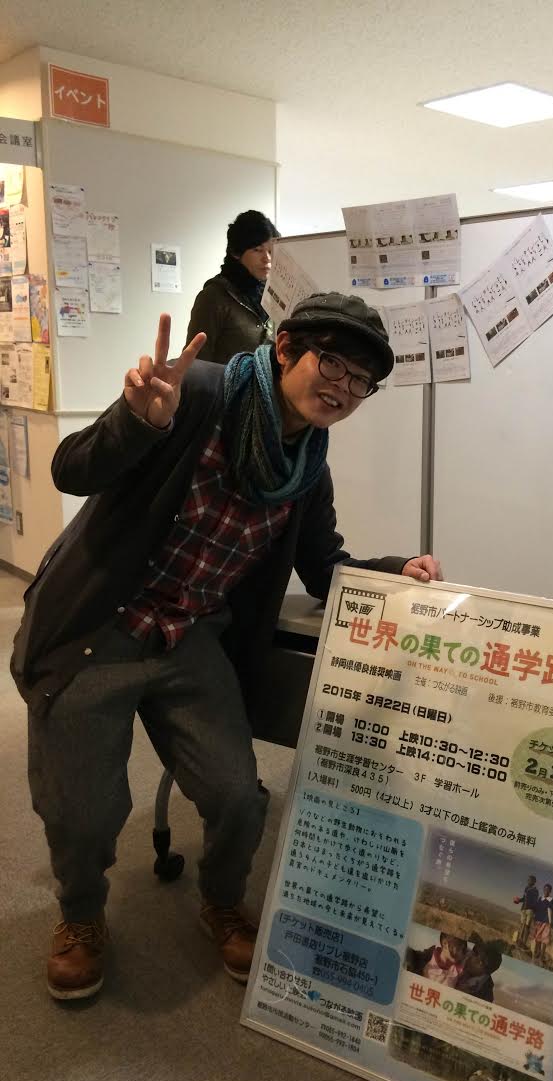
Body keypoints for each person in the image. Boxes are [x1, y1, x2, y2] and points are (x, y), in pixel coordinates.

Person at [11, 291, 442, 1001]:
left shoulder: (306, 468)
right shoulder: (198, 395)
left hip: (188, 635)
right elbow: (71, 470)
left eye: (362, 380)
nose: (343, 386)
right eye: (332, 362)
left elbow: (323, 565)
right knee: (82, 810)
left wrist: (395, 570)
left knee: (238, 795)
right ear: (286, 349)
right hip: (97, 629)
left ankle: (221, 900)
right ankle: (81, 916)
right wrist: (135, 423)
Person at [185, 209, 279, 364]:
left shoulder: (274, 294)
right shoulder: (213, 297)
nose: (267, 258)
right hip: (221, 380)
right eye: (257, 250)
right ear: (236, 252)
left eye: (270, 251)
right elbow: (196, 363)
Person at [455, 937, 502, 1003]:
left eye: (476, 953)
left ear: (481, 963)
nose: (470, 955)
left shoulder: (485, 995)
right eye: (474, 951)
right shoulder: (457, 957)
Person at [530, 882, 553, 962]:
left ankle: (541, 956)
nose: (546, 891)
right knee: (538, 938)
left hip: (546, 922)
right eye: (545, 889)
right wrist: (533, 916)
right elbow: (536, 908)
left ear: (550, 891)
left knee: (544, 939)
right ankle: (538, 953)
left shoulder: (552, 900)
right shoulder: (540, 898)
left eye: (548, 890)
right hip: (538, 920)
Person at [512, 874, 539, 947]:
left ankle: (524, 942)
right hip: (523, 909)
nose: (528, 881)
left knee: (527, 926)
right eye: (528, 880)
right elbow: (524, 898)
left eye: (529, 880)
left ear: (534, 881)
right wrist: (518, 900)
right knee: (522, 925)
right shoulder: (526, 888)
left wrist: (534, 912)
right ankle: (519, 940)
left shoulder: (535, 890)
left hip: (530, 910)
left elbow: (535, 902)